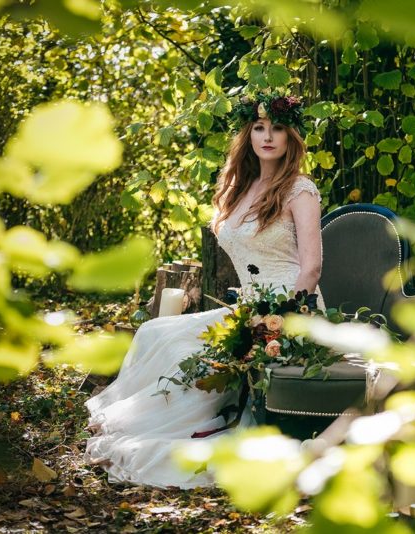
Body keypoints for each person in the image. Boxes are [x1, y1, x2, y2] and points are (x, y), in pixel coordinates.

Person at [85, 92, 324, 488]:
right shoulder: (240, 187)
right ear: (248, 134)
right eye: (259, 128)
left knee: (183, 351)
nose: (268, 136)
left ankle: (165, 434)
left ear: (290, 137)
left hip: (290, 307)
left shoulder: (300, 189)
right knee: (153, 331)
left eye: (278, 129)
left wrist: (283, 321)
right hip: (248, 306)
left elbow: (312, 266)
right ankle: (125, 422)